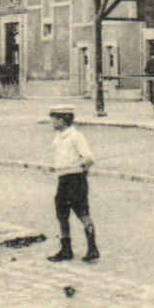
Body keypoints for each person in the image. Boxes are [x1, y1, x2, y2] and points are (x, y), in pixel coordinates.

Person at [46, 106, 99, 261]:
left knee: (82, 213)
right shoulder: (58, 136)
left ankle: (92, 249)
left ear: (62, 120)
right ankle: (66, 250)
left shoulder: (76, 136)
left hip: (75, 179)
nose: (52, 122)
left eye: (54, 119)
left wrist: (80, 170)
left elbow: (89, 158)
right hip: (62, 179)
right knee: (61, 214)